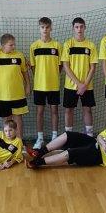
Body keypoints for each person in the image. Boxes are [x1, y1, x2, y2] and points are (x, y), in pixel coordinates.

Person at [26, 105, 106, 168]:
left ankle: (38, 163)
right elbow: (100, 136)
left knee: (71, 152)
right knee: (68, 135)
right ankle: (39, 152)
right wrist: (103, 143)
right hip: (96, 143)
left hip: (102, 156)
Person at [29, 17, 62, 150]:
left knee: (54, 111)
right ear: (39, 28)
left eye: (47, 27)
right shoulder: (34, 46)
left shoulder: (57, 46)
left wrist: (53, 76)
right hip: (39, 86)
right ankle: (40, 138)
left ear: (51, 28)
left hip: (53, 85)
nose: (45, 30)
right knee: (40, 112)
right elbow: (33, 67)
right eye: (42, 27)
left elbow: (60, 66)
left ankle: (54, 138)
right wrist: (40, 77)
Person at [61, 17, 98, 136]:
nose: (79, 29)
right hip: (71, 85)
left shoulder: (91, 45)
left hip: (87, 85)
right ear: (73, 28)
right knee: (68, 110)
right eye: (76, 27)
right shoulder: (68, 44)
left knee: (88, 110)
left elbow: (93, 67)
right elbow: (66, 66)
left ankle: (89, 136)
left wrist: (84, 85)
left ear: (85, 27)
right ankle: (68, 136)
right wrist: (79, 84)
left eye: (81, 26)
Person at [0, 34, 30, 140]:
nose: (14, 47)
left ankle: (19, 142)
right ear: (3, 45)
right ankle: (8, 143)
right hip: (3, 96)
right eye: (11, 45)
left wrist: (28, 85)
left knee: (18, 119)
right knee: (6, 120)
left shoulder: (19, 55)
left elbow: (25, 72)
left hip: (18, 94)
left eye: (14, 44)